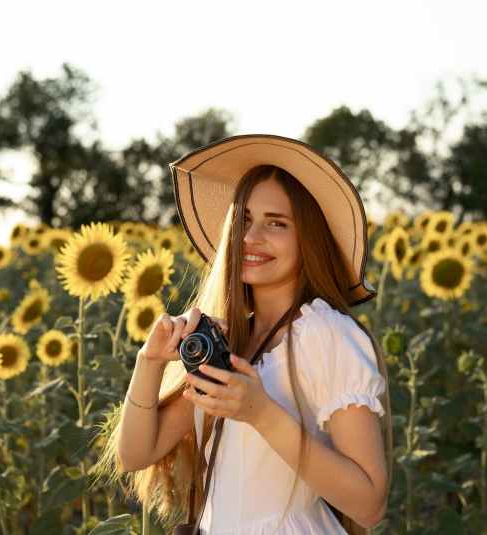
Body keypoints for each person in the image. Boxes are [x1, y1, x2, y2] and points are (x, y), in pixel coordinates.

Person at [92, 134, 393, 535]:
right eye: (244, 220)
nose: (251, 238)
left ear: (310, 237)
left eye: (277, 223)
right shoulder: (226, 340)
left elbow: (370, 504)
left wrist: (261, 412)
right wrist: (148, 362)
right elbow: (135, 453)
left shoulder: (326, 334)